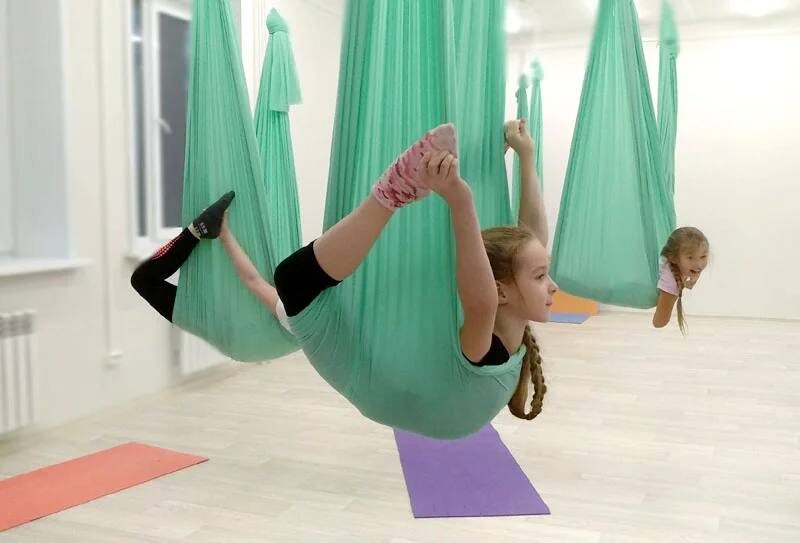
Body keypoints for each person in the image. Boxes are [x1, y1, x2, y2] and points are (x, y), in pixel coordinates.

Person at [132, 120, 558, 437]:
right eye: (542, 276)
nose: (553, 286)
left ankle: (390, 193)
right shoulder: (497, 335)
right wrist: (526, 158)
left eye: (543, 276)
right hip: (319, 336)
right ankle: (200, 232)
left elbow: (483, 298)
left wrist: (463, 199)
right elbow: (529, 243)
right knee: (275, 280)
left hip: (344, 358)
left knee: (282, 279)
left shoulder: (488, 340)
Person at [652, 227, 710, 333]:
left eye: (703, 256)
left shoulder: (688, 267)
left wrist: (691, 280)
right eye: (690, 258)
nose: (699, 264)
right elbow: (658, 323)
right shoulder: (671, 282)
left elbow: (689, 284)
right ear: (673, 258)